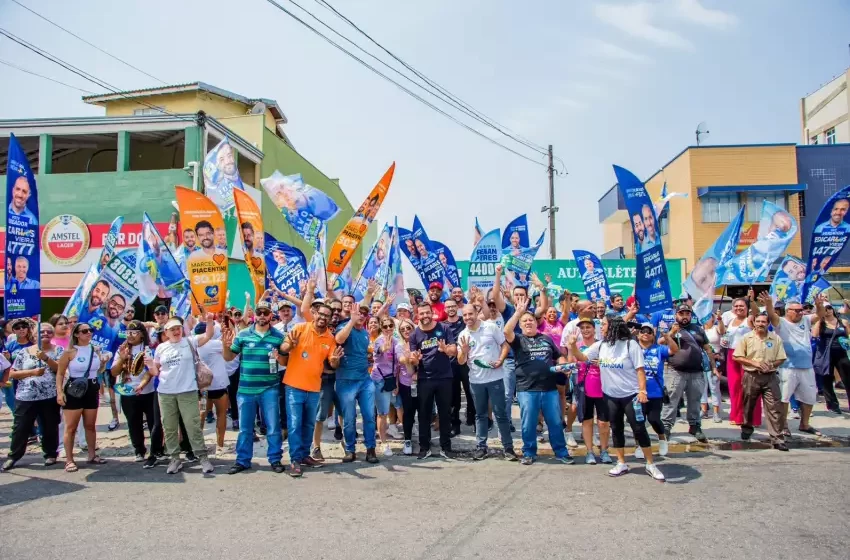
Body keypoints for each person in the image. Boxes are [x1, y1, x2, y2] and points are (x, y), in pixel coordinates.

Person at [569, 315, 665, 481]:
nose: (602, 327)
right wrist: (572, 346)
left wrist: (642, 391)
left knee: (639, 428)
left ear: (612, 326)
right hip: (610, 396)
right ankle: (621, 462)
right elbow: (583, 358)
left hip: (631, 396)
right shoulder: (601, 345)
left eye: (604, 324)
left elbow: (640, 370)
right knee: (616, 428)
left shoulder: (630, 345)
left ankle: (650, 463)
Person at [503, 296, 573, 466]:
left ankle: (561, 452)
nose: (528, 323)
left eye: (531, 320)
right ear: (520, 325)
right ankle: (529, 452)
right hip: (526, 389)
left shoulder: (546, 338)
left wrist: (565, 365)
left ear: (536, 323)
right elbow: (506, 331)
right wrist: (518, 313)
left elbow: (559, 357)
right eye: (524, 321)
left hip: (549, 389)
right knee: (528, 424)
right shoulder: (518, 339)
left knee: (555, 422)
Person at [145, 316, 215, 475]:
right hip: (165, 393)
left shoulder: (190, 341)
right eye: (172, 329)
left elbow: (208, 335)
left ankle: (202, 457)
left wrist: (209, 321)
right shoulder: (161, 348)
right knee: (169, 428)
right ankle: (175, 458)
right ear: (166, 332)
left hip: (187, 391)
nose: (176, 331)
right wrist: (150, 365)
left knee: (192, 425)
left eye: (178, 328)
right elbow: (156, 372)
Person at [221, 301, 285, 474]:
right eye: (259, 312)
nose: (262, 316)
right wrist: (225, 346)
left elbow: (285, 361)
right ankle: (242, 460)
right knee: (245, 428)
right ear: (254, 315)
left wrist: (279, 357)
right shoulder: (242, 334)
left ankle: (275, 459)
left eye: (266, 312)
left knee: (273, 427)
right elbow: (228, 357)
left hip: (269, 388)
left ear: (271, 315)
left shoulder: (278, 336)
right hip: (245, 390)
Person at [280, 303, 341, 477]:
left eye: (327, 316)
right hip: (294, 386)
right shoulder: (299, 328)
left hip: (314, 388)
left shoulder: (330, 338)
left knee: (308, 424)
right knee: (294, 425)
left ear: (330, 319)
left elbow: (332, 364)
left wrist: (335, 360)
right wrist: (289, 345)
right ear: (314, 313)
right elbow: (283, 349)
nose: (323, 318)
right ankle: (294, 460)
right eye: (321, 314)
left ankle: (305, 455)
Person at [457, 304, 515, 460]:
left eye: (470, 314)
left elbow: (505, 345)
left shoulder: (490, 327)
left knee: (500, 414)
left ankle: (508, 448)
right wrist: (463, 351)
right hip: (476, 381)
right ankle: (481, 447)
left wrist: (501, 360)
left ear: (477, 313)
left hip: (495, 378)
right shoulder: (463, 335)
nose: (468, 317)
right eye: (465, 315)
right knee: (481, 415)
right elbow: (461, 361)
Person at [1, 323, 62, 472]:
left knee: (49, 425)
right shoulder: (24, 352)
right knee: (21, 427)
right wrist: (32, 373)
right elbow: (13, 373)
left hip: (49, 395)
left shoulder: (58, 350)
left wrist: (46, 358)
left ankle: (50, 454)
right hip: (26, 396)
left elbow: (60, 369)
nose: (45, 334)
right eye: (42, 332)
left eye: (49, 332)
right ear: (34, 335)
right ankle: (14, 456)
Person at [761, 294, 823, 436]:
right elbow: (771, 315)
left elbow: (819, 315)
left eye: (801, 310)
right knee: (784, 398)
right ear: (788, 311)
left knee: (809, 397)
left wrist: (819, 305)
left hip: (806, 366)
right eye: (796, 310)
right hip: (787, 367)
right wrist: (769, 303)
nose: (800, 312)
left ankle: (805, 424)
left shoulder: (806, 320)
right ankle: (783, 426)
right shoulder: (781, 322)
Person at [56, 322, 111, 473]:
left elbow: (99, 369)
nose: (89, 333)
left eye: (90, 330)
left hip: (91, 387)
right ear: (76, 334)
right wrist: (60, 392)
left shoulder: (95, 349)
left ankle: (92, 455)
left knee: (90, 425)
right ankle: (69, 459)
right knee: (71, 427)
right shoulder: (70, 352)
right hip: (75, 388)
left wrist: (103, 362)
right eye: (84, 331)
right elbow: (60, 373)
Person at [407, 301, 458, 459]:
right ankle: (424, 447)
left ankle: (446, 447)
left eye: (427, 312)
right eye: (421, 313)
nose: (425, 316)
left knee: (444, 414)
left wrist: (445, 349)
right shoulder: (414, 335)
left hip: (444, 378)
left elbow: (454, 350)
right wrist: (415, 360)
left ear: (432, 312)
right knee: (424, 415)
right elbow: (413, 360)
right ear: (417, 316)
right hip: (425, 379)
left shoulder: (444, 328)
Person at [732, 313, 789, 451]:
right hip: (751, 375)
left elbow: (781, 358)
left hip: (770, 377)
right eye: (758, 321)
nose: (760, 324)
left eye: (763, 321)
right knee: (748, 404)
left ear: (768, 323)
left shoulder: (775, 338)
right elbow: (737, 356)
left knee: (774, 407)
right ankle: (747, 428)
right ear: (754, 323)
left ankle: (777, 438)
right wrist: (754, 363)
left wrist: (772, 365)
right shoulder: (746, 338)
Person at [110, 321, 163, 467]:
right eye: (128, 333)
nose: (130, 336)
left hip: (149, 391)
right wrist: (122, 358)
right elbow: (114, 371)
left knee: (154, 423)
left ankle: (157, 450)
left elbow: (150, 371)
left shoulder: (149, 348)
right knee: (134, 422)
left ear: (141, 335)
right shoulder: (122, 349)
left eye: (134, 333)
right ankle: (139, 450)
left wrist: (142, 385)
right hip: (128, 392)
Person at [660, 303, 715, 443]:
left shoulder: (698, 329)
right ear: (676, 315)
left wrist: (713, 367)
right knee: (671, 401)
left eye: (687, 314)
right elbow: (660, 343)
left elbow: (708, 349)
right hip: (675, 371)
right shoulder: (669, 329)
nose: (685, 316)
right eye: (681, 314)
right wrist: (671, 333)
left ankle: (695, 426)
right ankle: (665, 428)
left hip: (696, 372)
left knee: (695, 401)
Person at [335, 300, 380, 464]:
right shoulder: (344, 326)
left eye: (364, 313)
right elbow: (339, 339)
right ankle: (350, 450)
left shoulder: (365, 333)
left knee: (369, 417)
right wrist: (351, 321)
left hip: (364, 380)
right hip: (345, 381)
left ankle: (371, 449)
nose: (361, 315)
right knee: (349, 418)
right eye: (358, 312)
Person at [635, 322, 679, 459]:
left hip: (655, 392)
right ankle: (640, 445)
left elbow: (674, 350)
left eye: (649, 331)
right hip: (637, 392)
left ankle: (662, 438)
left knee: (654, 419)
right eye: (642, 331)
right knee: (638, 421)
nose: (646, 333)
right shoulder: (633, 349)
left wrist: (667, 336)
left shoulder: (659, 349)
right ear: (638, 334)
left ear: (653, 336)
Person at [723, 296, 762, 425]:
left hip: (747, 355)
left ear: (747, 308)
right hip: (731, 354)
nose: (738, 308)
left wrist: (751, 300)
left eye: (742, 306)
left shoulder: (750, 319)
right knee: (734, 387)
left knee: (750, 387)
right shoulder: (731, 320)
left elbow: (757, 314)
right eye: (736, 306)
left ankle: (752, 419)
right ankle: (737, 416)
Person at [193, 321, 230, 456]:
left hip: (202, 388)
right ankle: (219, 446)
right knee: (221, 415)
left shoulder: (193, 345)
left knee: (201, 414)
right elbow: (230, 347)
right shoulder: (215, 344)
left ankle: (199, 445)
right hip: (219, 386)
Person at [372, 316, 403, 457]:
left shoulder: (396, 341)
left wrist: (396, 382)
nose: (388, 328)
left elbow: (396, 365)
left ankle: (396, 431)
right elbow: (377, 351)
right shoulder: (378, 340)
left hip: (391, 380)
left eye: (391, 325)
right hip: (379, 380)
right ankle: (383, 442)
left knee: (398, 407)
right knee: (382, 412)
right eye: (385, 326)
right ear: (381, 327)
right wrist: (383, 348)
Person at [444, 298, 474, 436]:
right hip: (450, 365)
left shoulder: (465, 320)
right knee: (453, 397)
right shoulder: (442, 326)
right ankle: (455, 424)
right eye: (448, 307)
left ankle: (473, 420)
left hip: (467, 363)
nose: (451, 309)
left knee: (471, 393)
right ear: (445, 309)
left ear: (457, 307)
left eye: (453, 306)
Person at [812, 302, 850, 414]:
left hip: (842, 354)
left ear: (833, 309)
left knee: (848, 380)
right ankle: (832, 405)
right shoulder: (820, 323)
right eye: (825, 309)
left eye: (829, 308)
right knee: (827, 380)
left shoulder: (843, 322)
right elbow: (814, 335)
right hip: (826, 355)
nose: (827, 310)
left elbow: (848, 335)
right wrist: (819, 320)